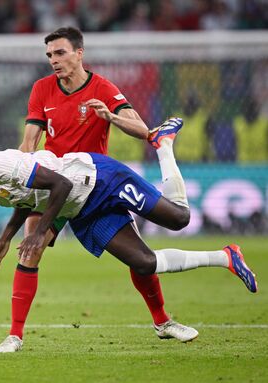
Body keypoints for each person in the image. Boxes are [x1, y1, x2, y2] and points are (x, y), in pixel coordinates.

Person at [0, 118, 258, 351]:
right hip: (82, 210)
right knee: (143, 263)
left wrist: (40, 230)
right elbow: (27, 198)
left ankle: (163, 145)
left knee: (179, 218)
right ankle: (226, 257)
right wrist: (6, 238)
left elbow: (61, 183)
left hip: (100, 179)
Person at [15, 26, 195, 351]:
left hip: (95, 189)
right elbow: (29, 142)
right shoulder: (42, 89)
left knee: (140, 260)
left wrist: (111, 117)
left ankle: (162, 322)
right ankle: (14, 335)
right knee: (31, 248)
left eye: (60, 53)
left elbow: (143, 130)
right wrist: (19, 170)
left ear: (79, 53)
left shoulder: (103, 88)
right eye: (49, 55)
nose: (53, 61)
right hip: (55, 185)